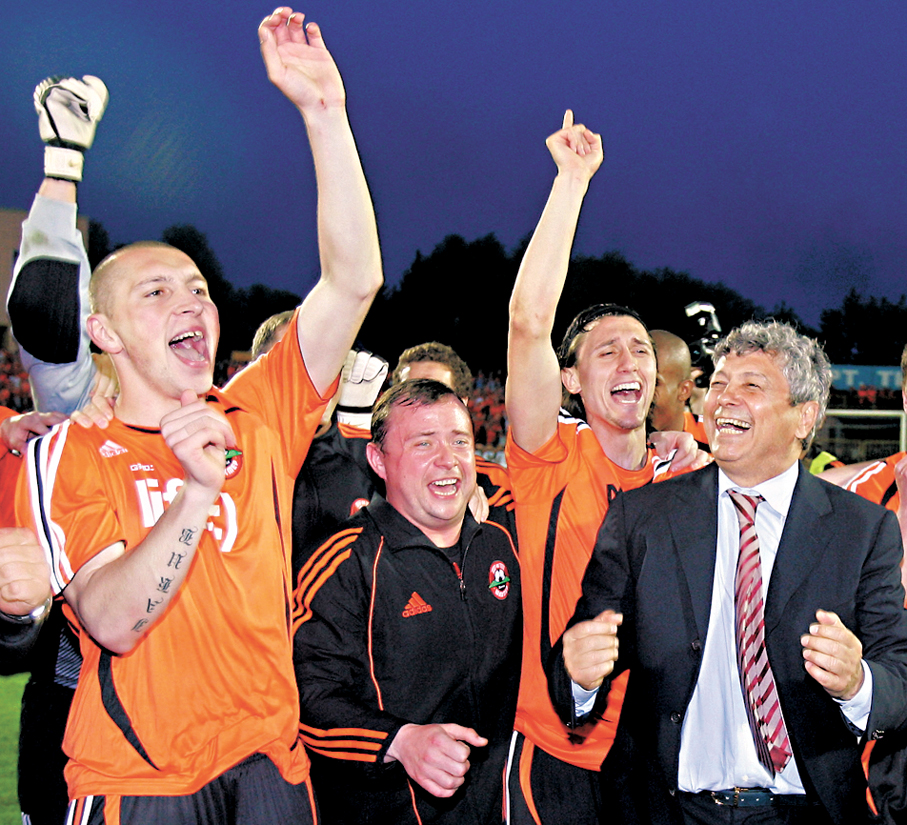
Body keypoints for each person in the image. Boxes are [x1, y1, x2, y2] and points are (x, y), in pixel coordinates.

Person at [15, 8, 382, 823]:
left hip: (270, 766)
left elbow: (353, 280)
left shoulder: (259, 409)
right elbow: (112, 621)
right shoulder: (71, 449)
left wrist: (326, 113)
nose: (191, 303)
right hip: (141, 780)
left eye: (199, 289)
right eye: (156, 291)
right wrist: (194, 493)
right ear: (104, 332)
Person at [549, 320, 907, 825]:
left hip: (808, 814)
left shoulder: (862, 529)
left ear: (804, 417)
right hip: (668, 810)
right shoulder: (643, 517)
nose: (724, 399)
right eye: (718, 383)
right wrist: (580, 677)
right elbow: (576, 656)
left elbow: (900, 681)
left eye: (751, 385)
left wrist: (857, 683)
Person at [503, 111, 692, 824]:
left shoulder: (684, 479)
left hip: (653, 764)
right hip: (555, 750)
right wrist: (571, 183)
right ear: (571, 381)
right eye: (605, 351)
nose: (628, 361)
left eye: (639, 349)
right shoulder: (549, 457)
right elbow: (528, 322)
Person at [293, 379, 521, 824]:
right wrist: (398, 741)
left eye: (460, 441)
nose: (447, 459)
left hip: (502, 808)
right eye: (423, 443)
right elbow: (307, 697)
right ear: (378, 460)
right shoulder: (344, 563)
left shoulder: (504, 541)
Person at [649, 329, 708, 449]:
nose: (640, 394)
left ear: (684, 390)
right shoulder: (614, 444)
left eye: (654, 383)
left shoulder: (718, 439)